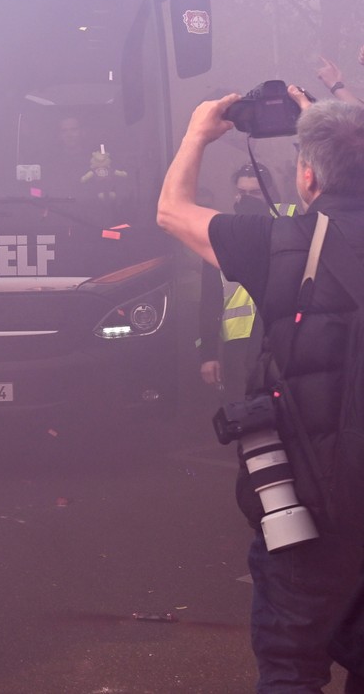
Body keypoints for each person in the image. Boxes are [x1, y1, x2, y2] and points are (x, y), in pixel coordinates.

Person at [158, 87, 364, 692]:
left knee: (291, 664)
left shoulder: (277, 243)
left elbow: (172, 210)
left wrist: (198, 132)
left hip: (309, 511)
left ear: (306, 176)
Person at [198, 165, 292, 392]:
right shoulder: (223, 231)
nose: (247, 198)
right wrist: (208, 354)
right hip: (238, 340)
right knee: (242, 406)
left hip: (282, 333)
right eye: (243, 192)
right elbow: (210, 297)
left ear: (270, 192)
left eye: (256, 192)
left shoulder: (287, 220)